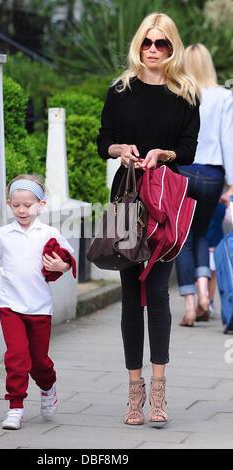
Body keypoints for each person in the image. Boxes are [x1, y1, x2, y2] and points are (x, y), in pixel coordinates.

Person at [96, 12, 200, 426]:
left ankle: (158, 391)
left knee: (157, 293)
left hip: (164, 197)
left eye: (162, 44)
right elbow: (102, 139)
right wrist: (118, 148)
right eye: (147, 43)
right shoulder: (120, 90)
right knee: (128, 296)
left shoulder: (186, 93)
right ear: (138, 45)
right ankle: (133, 392)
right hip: (127, 195)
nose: (153, 50)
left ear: (172, 48)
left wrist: (163, 154)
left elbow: (189, 150)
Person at [0, 174, 75, 430]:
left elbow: (69, 260)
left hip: (40, 308)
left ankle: (48, 387)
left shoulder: (49, 233)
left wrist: (61, 265)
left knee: (39, 362)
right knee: (17, 358)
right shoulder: (3, 235)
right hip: (9, 306)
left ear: (41, 204)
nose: (22, 210)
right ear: (9, 204)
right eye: (16, 205)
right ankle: (15, 407)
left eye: (28, 205)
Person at [175, 43, 233, 327]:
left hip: (183, 170)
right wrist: (232, 184)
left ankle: (189, 305)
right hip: (213, 175)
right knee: (201, 235)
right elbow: (229, 140)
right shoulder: (224, 97)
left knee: (182, 237)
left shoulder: (178, 91)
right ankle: (203, 296)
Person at [206, 201, 232, 318]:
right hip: (215, 245)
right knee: (212, 275)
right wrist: (227, 204)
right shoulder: (219, 206)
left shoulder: (195, 202)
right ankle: (209, 302)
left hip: (199, 245)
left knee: (202, 276)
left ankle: (206, 300)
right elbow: (230, 219)